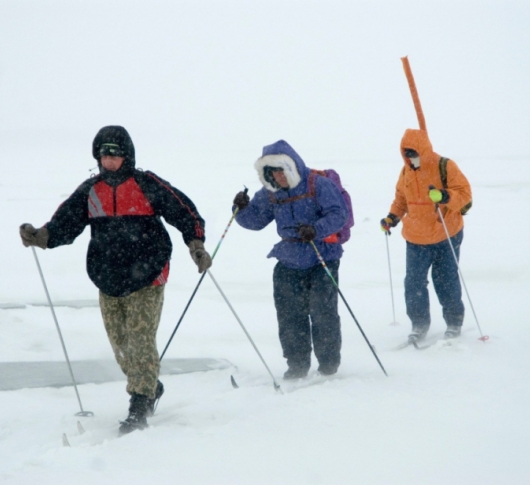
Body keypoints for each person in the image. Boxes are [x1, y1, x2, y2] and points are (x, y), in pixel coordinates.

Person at [19, 125, 212, 434]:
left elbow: (185, 213)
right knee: (121, 347)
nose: (108, 161)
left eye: (114, 155)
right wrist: (41, 237)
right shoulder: (91, 191)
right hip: (107, 275)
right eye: (103, 155)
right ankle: (149, 385)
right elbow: (64, 224)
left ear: (127, 156)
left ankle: (139, 405)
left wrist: (196, 245)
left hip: (148, 273)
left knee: (140, 341)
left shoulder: (147, 184)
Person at [232, 140, 349, 379]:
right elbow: (255, 221)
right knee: (289, 316)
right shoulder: (270, 193)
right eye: (271, 172)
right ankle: (297, 365)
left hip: (321, 258)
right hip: (287, 260)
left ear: (291, 166)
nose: (277, 176)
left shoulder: (319, 185)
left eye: (280, 170)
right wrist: (240, 209)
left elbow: (339, 215)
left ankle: (328, 364)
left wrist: (316, 229)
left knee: (322, 312)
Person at [380, 128, 472, 344]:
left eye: (413, 153)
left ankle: (454, 322)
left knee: (446, 280)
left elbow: (465, 196)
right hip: (416, 238)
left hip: (445, 234)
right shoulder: (405, 172)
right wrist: (392, 218)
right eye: (406, 154)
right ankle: (419, 324)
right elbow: (401, 199)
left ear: (423, 150)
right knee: (413, 283)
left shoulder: (445, 166)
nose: (410, 158)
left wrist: (445, 196)